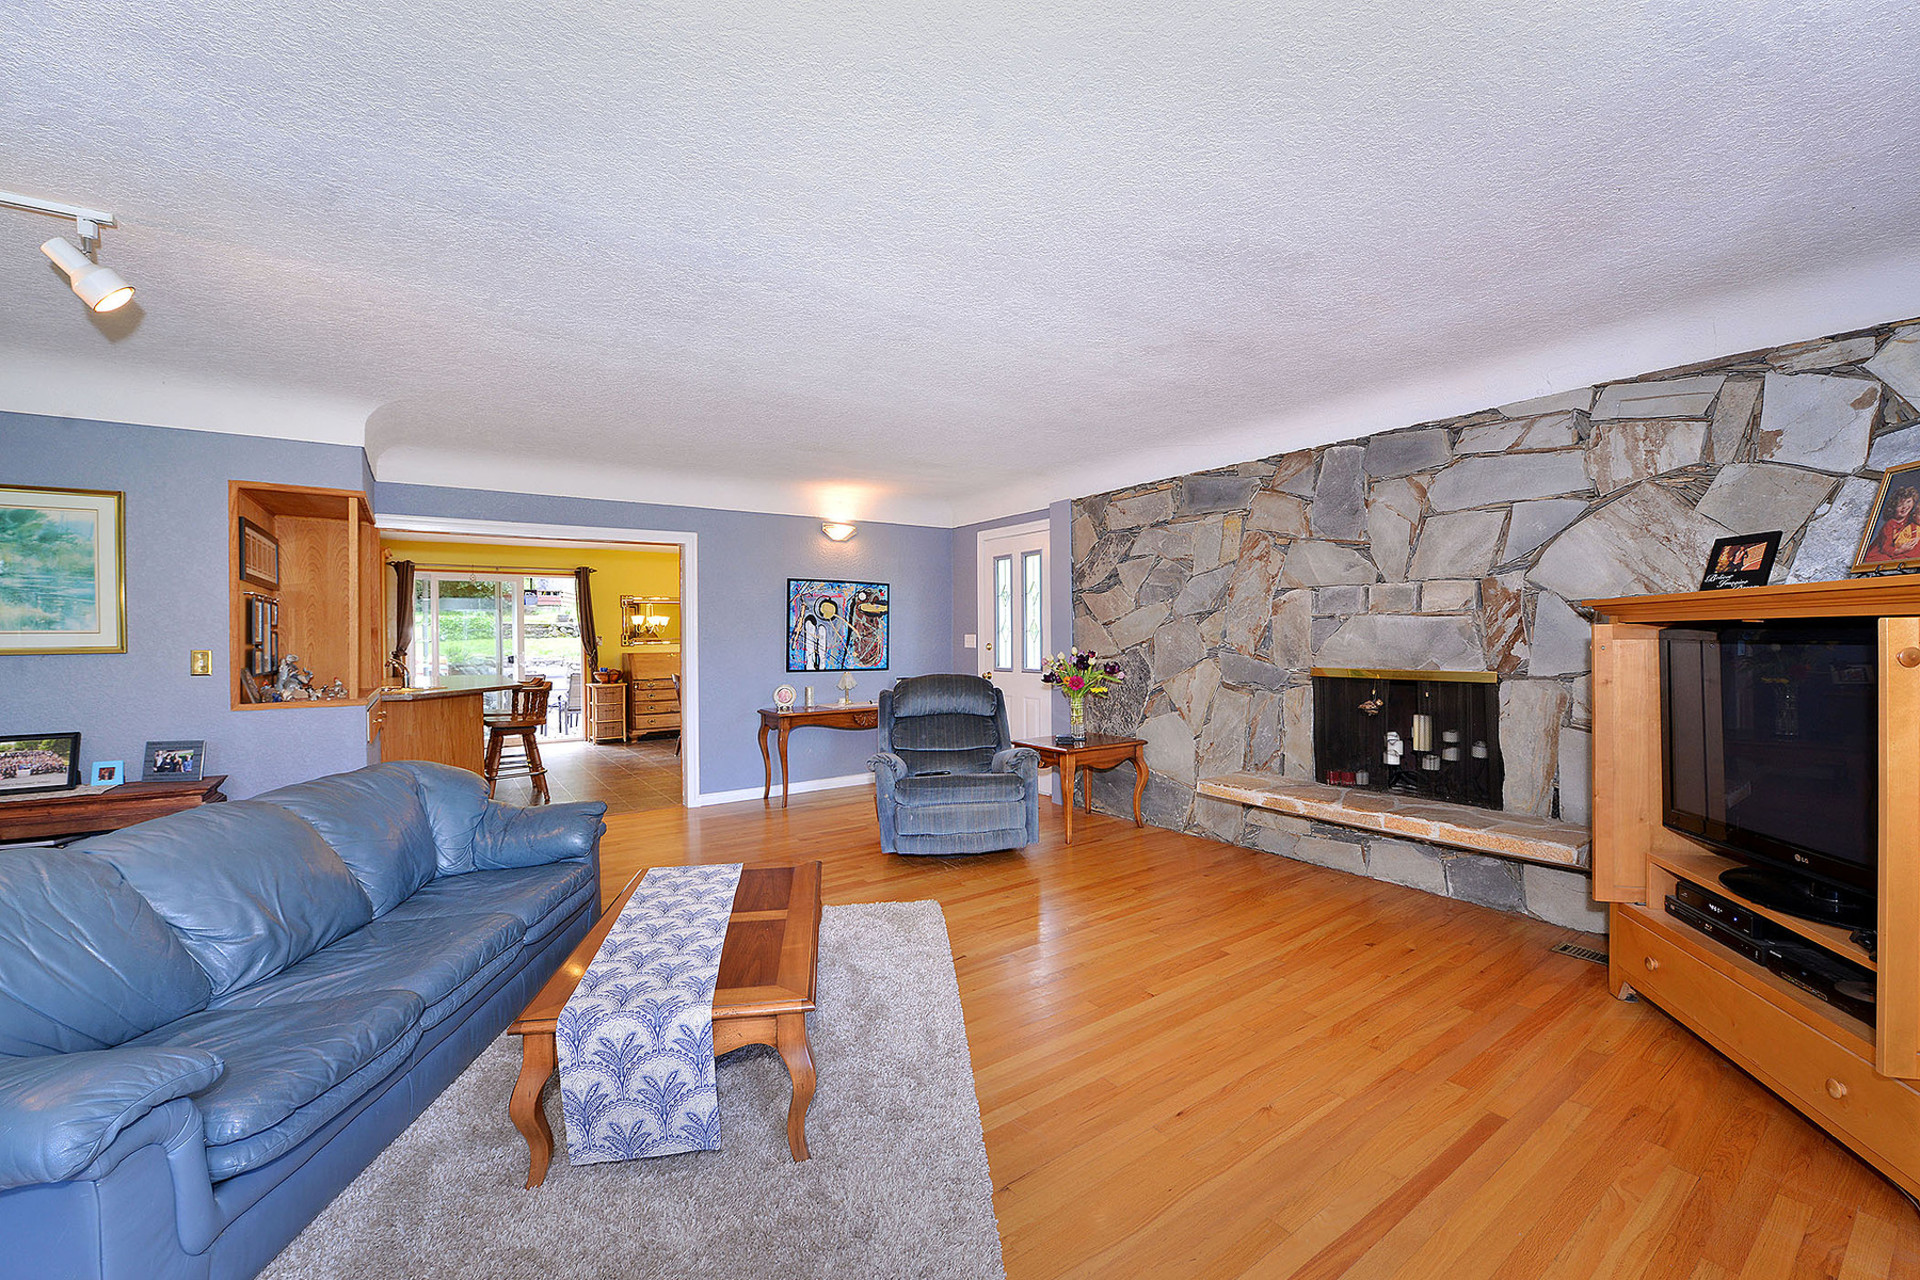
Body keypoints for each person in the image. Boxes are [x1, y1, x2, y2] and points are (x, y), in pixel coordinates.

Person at [1864, 486, 1920, 563]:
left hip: (1905, 547)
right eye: (1900, 505)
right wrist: (1900, 550)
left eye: (1908, 501)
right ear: (1893, 508)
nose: (1905, 507)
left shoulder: (1911, 517)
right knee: (1886, 560)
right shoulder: (1889, 525)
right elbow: (1885, 548)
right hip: (1885, 552)